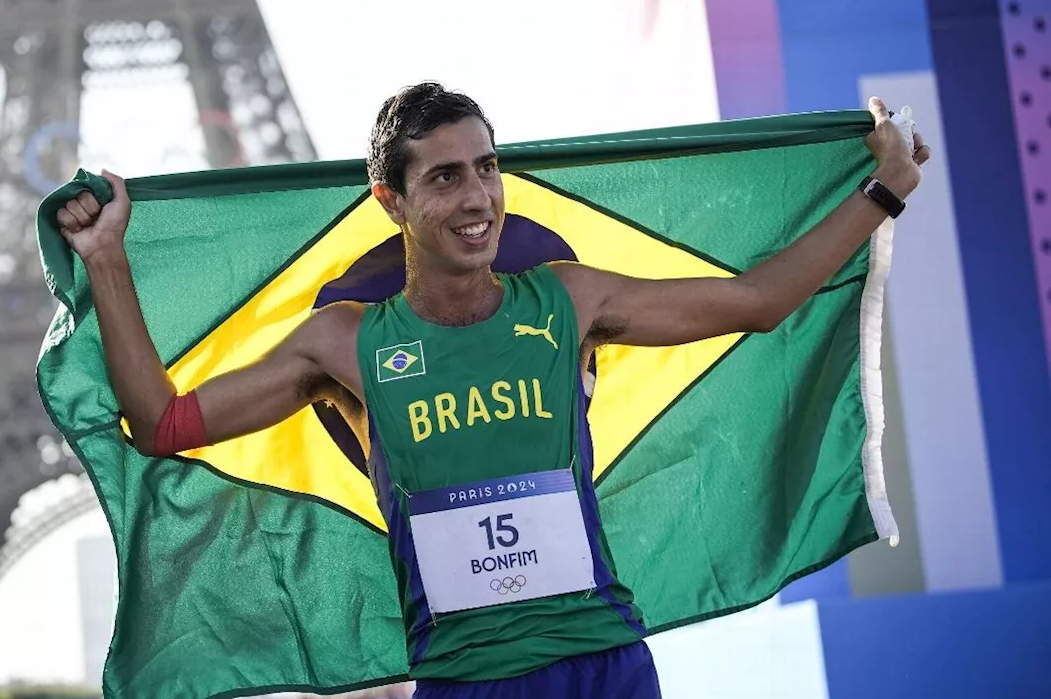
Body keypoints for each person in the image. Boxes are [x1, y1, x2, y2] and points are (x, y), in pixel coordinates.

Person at [54, 82, 929, 698]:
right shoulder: (346, 345)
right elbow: (163, 423)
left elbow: (762, 301)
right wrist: (107, 264)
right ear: (390, 201)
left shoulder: (569, 299)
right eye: (444, 177)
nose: (478, 196)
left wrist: (883, 190)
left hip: (604, 663)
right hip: (466, 681)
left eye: (486, 167)